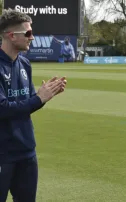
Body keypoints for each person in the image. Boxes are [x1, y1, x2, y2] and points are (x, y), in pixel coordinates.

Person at [0, 9, 67, 202]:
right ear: (12, 36)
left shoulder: (25, 64)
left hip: (26, 151)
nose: (33, 37)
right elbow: (3, 109)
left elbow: (28, 103)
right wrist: (38, 98)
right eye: (28, 33)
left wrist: (43, 96)